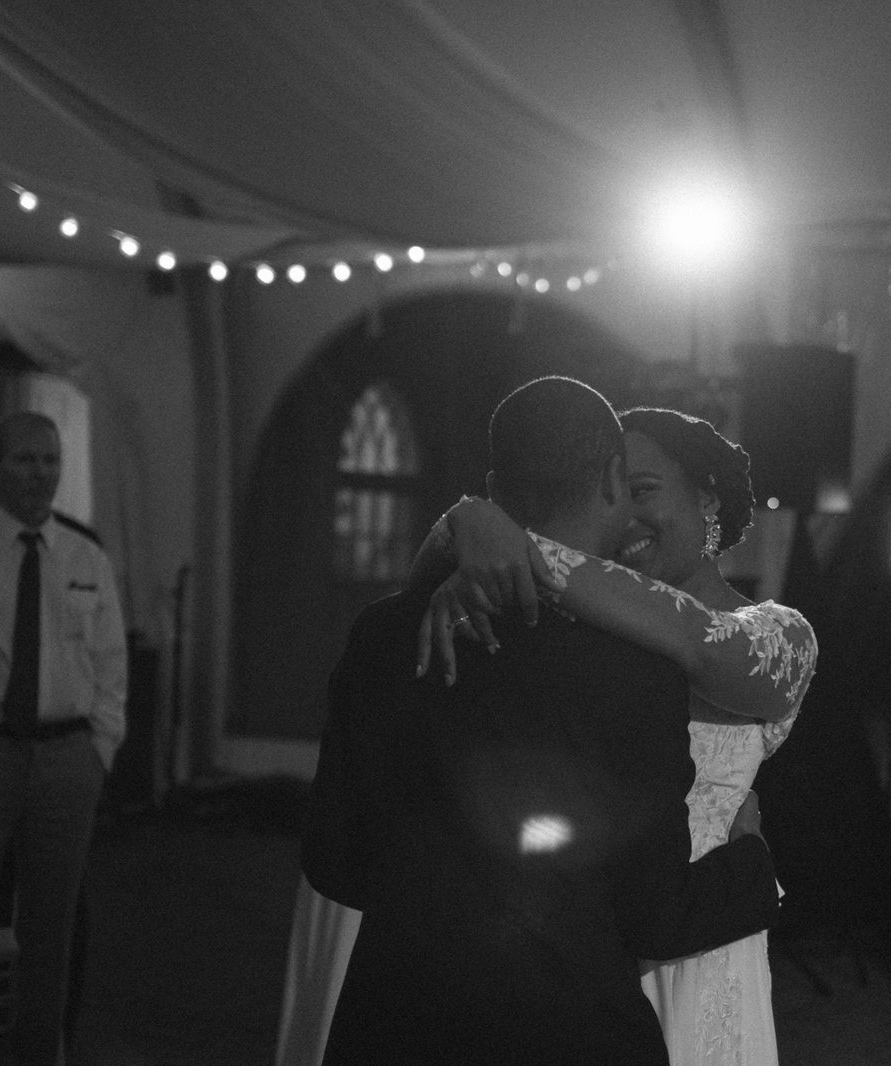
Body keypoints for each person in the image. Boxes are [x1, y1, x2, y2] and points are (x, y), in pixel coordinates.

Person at [301, 377, 782, 1066]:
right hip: (567, 1034)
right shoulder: (636, 667)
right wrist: (751, 864)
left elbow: (332, 859)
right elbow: (654, 912)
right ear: (612, 481)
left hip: (393, 1028)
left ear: (495, 487)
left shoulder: (383, 634)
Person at [422, 405, 817, 1066]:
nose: (627, 516)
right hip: (583, 952)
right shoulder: (576, 630)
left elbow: (700, 646)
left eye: (646, 492)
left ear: (708, 498)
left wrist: (510, 540)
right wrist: (462, 526)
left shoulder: (779, 634)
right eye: (615, 494)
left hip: (707, 949)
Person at [0, 411, 127, 1066]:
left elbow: (111, 667)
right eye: (24, 459)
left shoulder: (85, 556)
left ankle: (38, 1056)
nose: (40, 472)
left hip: (68, 758)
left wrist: (99, 749)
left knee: (53, 932)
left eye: (49, 459)